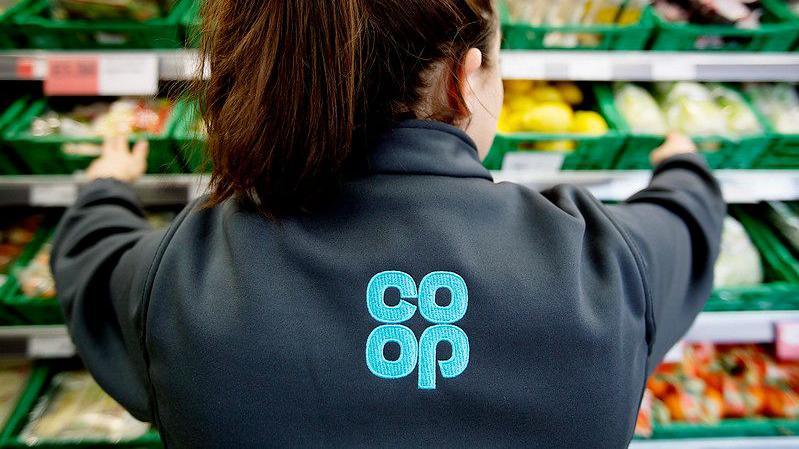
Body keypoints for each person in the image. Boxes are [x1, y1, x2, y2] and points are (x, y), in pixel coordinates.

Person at [50, 1, 725, 448]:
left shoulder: (183, 278)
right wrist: (681, 162)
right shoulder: (603, 268)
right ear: (466, 80)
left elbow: (89, 259)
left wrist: (106, 183)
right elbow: (688, 219)